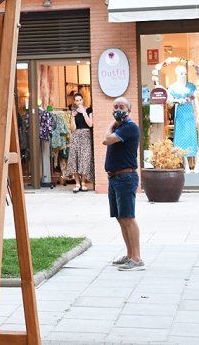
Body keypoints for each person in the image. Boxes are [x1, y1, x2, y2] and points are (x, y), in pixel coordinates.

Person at [102, 96, 144, 271]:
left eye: (121, 106)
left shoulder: (129, 127)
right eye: (115, 106)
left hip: (125, 177)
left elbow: (106, 140)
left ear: (129, 110)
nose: (118, 109)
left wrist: (111, 124)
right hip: (114, 178)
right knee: (121, 218)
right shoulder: (120, 127)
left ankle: (136, 258)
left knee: (128, 217)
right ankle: (129, 255)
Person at [167, 65, 199, 171]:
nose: (183, 75)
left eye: (185, 73)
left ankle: (197, 163)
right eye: (181, 73)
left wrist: (198, 113)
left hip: (189, 114)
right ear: (176, 74)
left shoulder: (191, 86)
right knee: (181, 139)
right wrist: (177, 101)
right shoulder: (172, 88)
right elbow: (170, 101)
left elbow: (195, 101)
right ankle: (186, 165)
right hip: (179, 114)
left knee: (192, 137)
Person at [65, 93, 93, 192]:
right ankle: (77, 183)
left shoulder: (89, 110)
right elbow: (73, 129)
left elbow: (90, 124)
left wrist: (84, 112)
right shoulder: (73, 112)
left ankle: (84, 182)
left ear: (83, 100)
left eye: (80, 100)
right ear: (74, 102)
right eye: (76, 100)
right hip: (76, 136)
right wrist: (73, 117)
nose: (78, 102)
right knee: (75, 159)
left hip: (86, 136)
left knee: (85, 158)